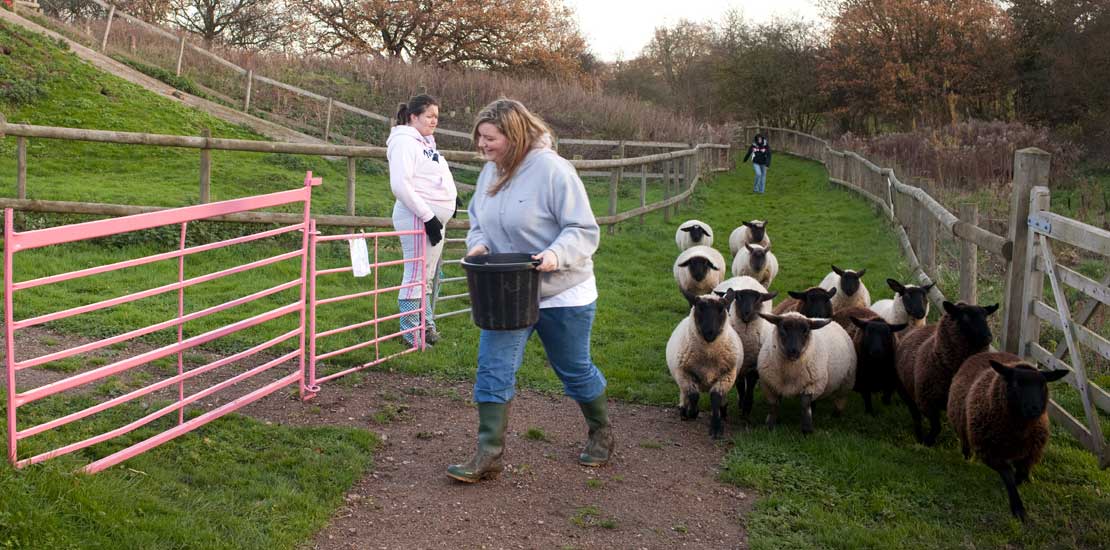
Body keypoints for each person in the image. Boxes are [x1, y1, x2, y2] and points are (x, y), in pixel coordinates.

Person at [447, 98, 614, 483]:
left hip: (562, 289)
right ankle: (488, 453)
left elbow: (583, 230)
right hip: (508, 290)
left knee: (573, 369)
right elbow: (478, 219)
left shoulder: (553, 170)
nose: (482, 146)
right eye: (479, 138)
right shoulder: (490, 172)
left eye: (490, 138)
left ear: (514, 135)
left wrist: (556, 255)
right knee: (493, 367)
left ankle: (601, 431)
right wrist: (479, 244)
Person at [387, 94, 457, 346]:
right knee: (416, 273)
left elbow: (430, 176)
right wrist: (428, 217)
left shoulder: (424, 143)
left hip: (433, 217)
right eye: (429, 116)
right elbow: (400, 185)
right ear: (413, 117)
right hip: (417, 216)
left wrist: (451, 199)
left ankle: (425, 324)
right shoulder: (404, 142)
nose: (434, 120)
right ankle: (409, 331)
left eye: (437, 116)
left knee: (426, 274)